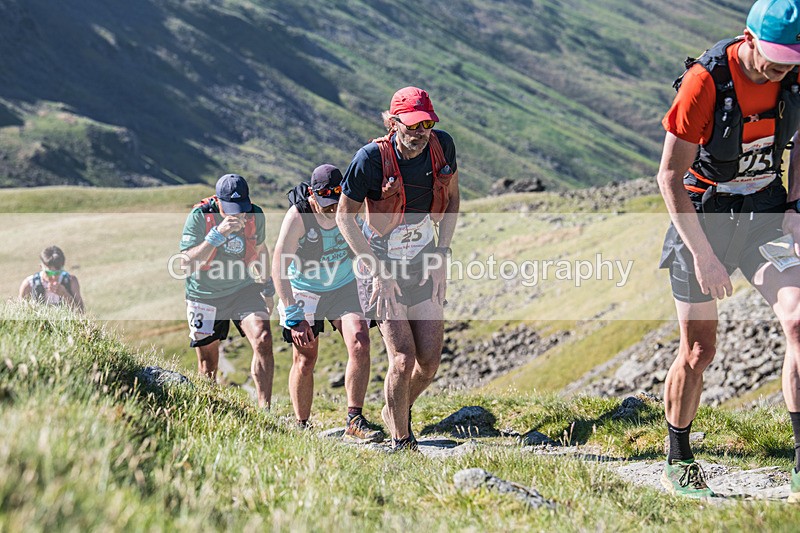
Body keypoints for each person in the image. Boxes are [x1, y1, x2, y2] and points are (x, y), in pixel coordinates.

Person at [657, 0, 800, 499]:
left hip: (764, 211)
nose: (780, 69)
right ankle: (679, 457)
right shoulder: (706, 80)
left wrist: (795, 205)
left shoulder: (795, 74)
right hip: (705, 215)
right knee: (699, 350)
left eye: (790, 61)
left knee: (799, 320)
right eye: (774, 59)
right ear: (748, 37)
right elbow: (670, 177)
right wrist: (703, 255)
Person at [336, 86, 460, 451]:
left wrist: (442, 254)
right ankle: (402, 442)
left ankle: (396, 412)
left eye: (426, 125)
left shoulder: (442, 146)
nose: (420, 133)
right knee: (402, 359)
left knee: (430, 362)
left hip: (423, 262)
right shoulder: (369, 160)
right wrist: (376, 270)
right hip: (380, 266)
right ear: (392, 122)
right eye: (411, 126)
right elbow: (345, 216)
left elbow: (452, 199)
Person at [272, 164, 384, 442]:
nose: (332, 208)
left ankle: (354, 420)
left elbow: (372, 231)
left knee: (360, 341)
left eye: (336, 201)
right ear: (312, 194)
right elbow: (278, 266)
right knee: (305, 357)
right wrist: (293, 315)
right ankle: (301, 425)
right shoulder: (299, 216)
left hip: (342, 284)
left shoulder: (349, 205)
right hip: (304, 289)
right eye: (325, 202)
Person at [179, 173, 275, 409]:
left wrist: (267, 288)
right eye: (230, 208)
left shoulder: (254, 215)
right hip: (203, 295)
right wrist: (217, 234)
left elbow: (261, 250)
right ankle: (210, 409)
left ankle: (265, 409)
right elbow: (184, 263)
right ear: (218, 201)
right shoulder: (200, 216)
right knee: (208, 364)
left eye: (241, 207)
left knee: (263, 338)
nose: (238, 213)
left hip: (242, 289)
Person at [18, 245, 84, 312]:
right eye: (49, 273)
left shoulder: (70, 281)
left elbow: (80, 313)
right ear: (41, 267)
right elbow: (20, 312)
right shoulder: (29, 284)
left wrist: (65, 295)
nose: (53, 277)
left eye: (58, 273)